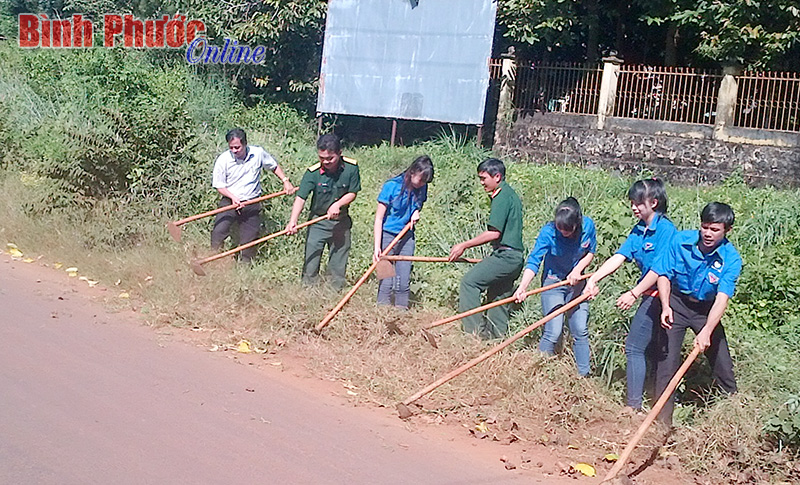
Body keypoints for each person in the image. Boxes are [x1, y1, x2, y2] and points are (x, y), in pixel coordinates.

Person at [584, 179, 676, 411]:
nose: (634, 208)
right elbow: (620, 256)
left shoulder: (666, 230)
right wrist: (593, 278)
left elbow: (659, 269)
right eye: (632, 203)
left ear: (653, 202)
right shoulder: (639, 229)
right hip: (649, 294)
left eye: (638, 203)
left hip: (664, 296)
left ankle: (633, 406)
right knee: (644, 348)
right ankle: (640, 403)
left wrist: (634, 293)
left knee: (635, 347)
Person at [652, 202, 742, 425]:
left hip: (706, 310)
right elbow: (663, 274)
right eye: (705, 227)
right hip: (677, 304)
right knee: (667, 363)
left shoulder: (731, 259)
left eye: (715, 229)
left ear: (726, 230)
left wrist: (707, 332)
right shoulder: (680, 241)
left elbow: (722, 297)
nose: (708, 234)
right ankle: (661, 424)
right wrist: (665, 306)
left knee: (722, 363)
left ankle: (735, 417)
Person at [514, 197, 596, 376]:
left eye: (567, 229)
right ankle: (540, 373)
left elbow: (590, 252)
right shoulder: (548, 232)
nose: (563, 232)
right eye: (560, 228)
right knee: (553, 330)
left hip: (577, 285)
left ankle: (584, 376)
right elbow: (535, 260)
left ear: (577, 223)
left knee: (580, 329)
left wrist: (578, 270)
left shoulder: (588, 227)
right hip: (554, 282)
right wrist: (523, 287)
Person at [449, 158, 524, 339]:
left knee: (470, 283)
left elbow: (493, 234)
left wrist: (463, 245)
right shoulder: (509, 194)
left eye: (484, 178)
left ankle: (473, 333)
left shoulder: (501, 196)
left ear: (497, 176)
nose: (481, 183)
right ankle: (495, 339)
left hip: (506, 257)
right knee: (498, 297)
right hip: (515, 258)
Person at [286, 134, 361, 290]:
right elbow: (301, 198)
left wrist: (338, 204)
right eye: (322, 158)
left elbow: (352, 192)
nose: (325, 162)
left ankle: (335, 291)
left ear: (339, 153)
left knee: (339, 260)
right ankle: (308, 291)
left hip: (341, 223)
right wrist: (293, 221)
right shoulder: (312, 173)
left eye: (330, 158)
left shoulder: (351, 168)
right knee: (311, 260)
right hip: (318, 222)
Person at [211, 128, 295, 263]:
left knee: (250, 238)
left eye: (237, 147)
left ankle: (245, 266)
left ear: (245, 144)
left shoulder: (258, 153)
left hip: (252, 202)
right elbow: (219, 185)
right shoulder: (223, 160)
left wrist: (285, 181)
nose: (234, 151)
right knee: (219, 231)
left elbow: (273, 166)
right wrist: (233, 198)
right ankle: (214, 260)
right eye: (231, 147)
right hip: (230, 201)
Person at [373, 155, 434, 309]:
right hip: (387, 235)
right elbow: (379, 219)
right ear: (412, 172)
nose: (422, 184)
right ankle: (382, 313)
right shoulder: (391, 186)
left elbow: (418, 204)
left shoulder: (422, 187)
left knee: (403, 282)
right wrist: (377, 247)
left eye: (425, 182)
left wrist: (415, 211)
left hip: (407, 236)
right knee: (386, 280)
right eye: (420, 180)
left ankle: (401, 315)